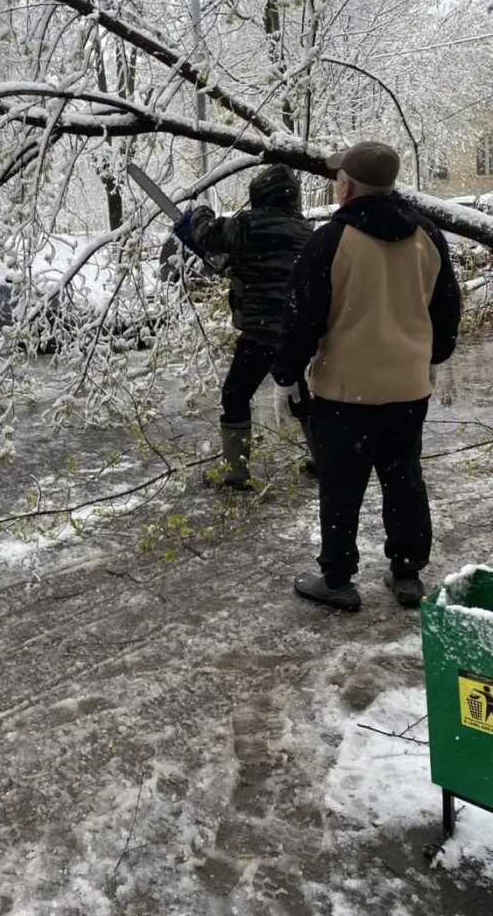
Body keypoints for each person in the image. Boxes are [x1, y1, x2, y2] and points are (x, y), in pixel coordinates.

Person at [271, 141, 461, 612]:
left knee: (341, 485)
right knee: (404, 480)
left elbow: (302, 318)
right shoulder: (427, 236)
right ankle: (407, 573)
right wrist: (428, 357)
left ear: (347, 185)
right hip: (408, 390)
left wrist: (286, 376)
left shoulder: (331, 241)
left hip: (345, 392)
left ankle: (336, 578)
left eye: (339, 178)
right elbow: (448, 310)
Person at [173, 164, 314, 489]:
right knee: (300, 396)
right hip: (295, 334)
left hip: (259, 332)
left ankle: (236, 472)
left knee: (235, 395)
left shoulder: (247, 225)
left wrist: (199, 213)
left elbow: (208, 234)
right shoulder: (305, 230)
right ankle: (322, 459)